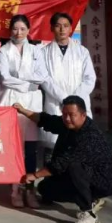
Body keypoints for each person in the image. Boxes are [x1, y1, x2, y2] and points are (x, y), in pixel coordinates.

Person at [14, 96, 112, 223]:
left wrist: (34, 175)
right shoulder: (67, 124)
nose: (67, 118)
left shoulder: (89, 136)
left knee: (74, 165)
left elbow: (62, 163)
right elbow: (46, 120)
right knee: (45, 189)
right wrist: (23, 111)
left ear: (83, 115)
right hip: (81, 175)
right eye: (64, 114)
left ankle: (89, 214)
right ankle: (92, 199)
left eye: (72, 115)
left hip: (104, 181)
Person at [0, 14, 43, 208]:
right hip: (11, 101)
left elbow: (41, 76)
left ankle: (29, 191)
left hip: (31, 103)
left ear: (29, 30)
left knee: (31, 149)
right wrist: (27, 83)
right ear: (10, 31)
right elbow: (5, 78)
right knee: (13, 148)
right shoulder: (3, 51)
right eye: (15, 29)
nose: (19, 32)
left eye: (23, 29)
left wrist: (22, 78)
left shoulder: (36, 50)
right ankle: (14, 190)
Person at [35, 12, 96, 148]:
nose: (62, 29)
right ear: (52, 28)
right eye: (58, 26)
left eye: (66, 26)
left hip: (79, 103)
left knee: (81, 144)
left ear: (70, 28)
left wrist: (75, 100)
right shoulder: (43, 53)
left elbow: (89, 78)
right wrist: (64, 98)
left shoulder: (82, 51)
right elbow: (44, 79)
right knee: (55, 146)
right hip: (55, 103)